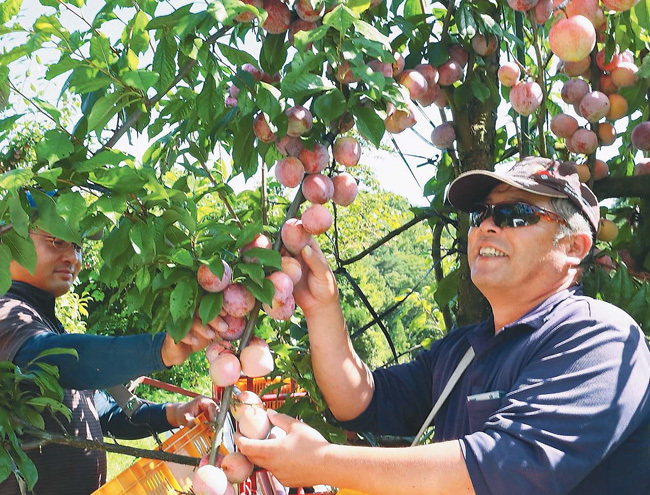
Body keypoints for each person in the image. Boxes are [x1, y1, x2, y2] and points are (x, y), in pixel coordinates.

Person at [236, 157, 650, 495]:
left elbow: (502, 469)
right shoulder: (465, 349)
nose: (488, 225)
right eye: (481, 213)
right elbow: (361, 402)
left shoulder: (601, 340)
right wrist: (321, 306)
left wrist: (322, 462)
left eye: (515, 214)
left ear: (573, 247)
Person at [0, 226, 219, 495]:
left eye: (77, 246)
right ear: (7, 240)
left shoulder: (47, 324)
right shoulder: (7, 314)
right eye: (57, 241)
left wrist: (173, 412)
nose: (73, 258)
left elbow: (102, 411)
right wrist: (158, 350)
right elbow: (46, 355)